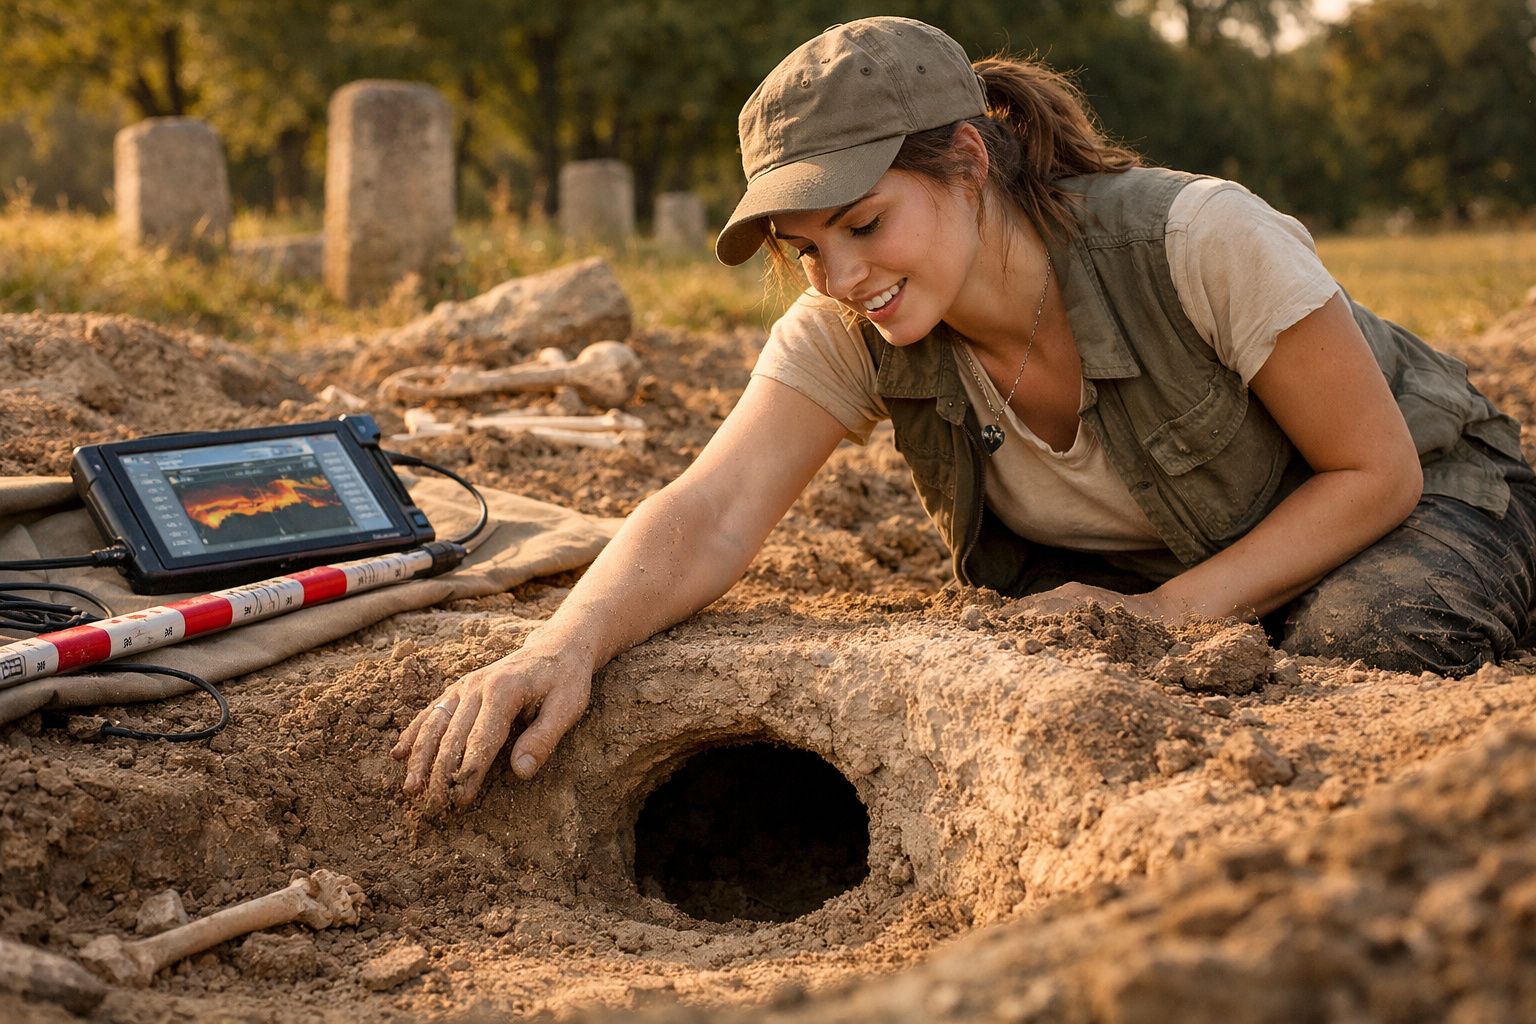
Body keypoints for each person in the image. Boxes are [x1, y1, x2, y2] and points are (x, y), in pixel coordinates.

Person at [393, 16, 1536, 808]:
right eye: (806, 249)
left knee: (1359, 646)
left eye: (865, 224)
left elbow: (1375, 473)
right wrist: (561, 646)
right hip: (1180, 563)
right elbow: (713, 510)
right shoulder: (847, 328)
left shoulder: (1198, 238)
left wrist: (1167, 615)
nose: (841, 277)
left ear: (971, 161)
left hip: (1421, 498)